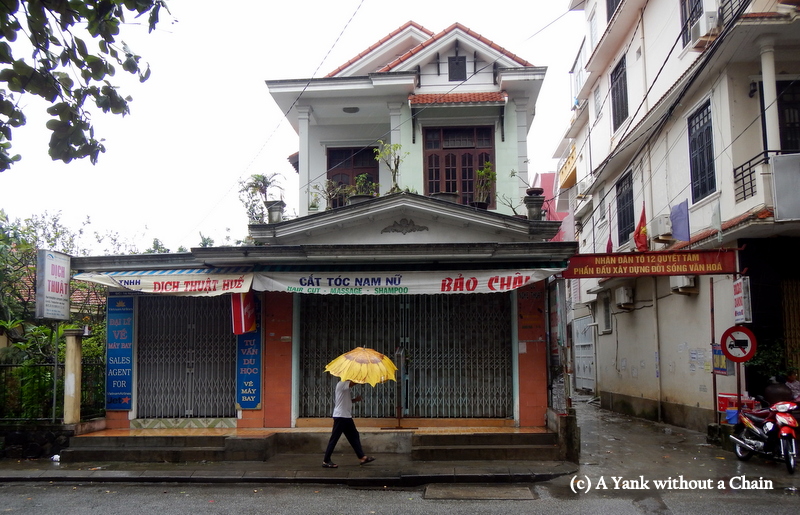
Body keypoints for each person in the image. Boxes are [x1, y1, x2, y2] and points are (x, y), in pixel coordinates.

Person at [322, 380, 375, 468]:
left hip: (346, 416)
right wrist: (363, 378)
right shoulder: (342, 383)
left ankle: (362, 457)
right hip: (340, 416)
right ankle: (326, 461)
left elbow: (345, 401)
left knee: (354, 436)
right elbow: (353, 383)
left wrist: (355, 400)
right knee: (334, 439)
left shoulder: (345, 387)